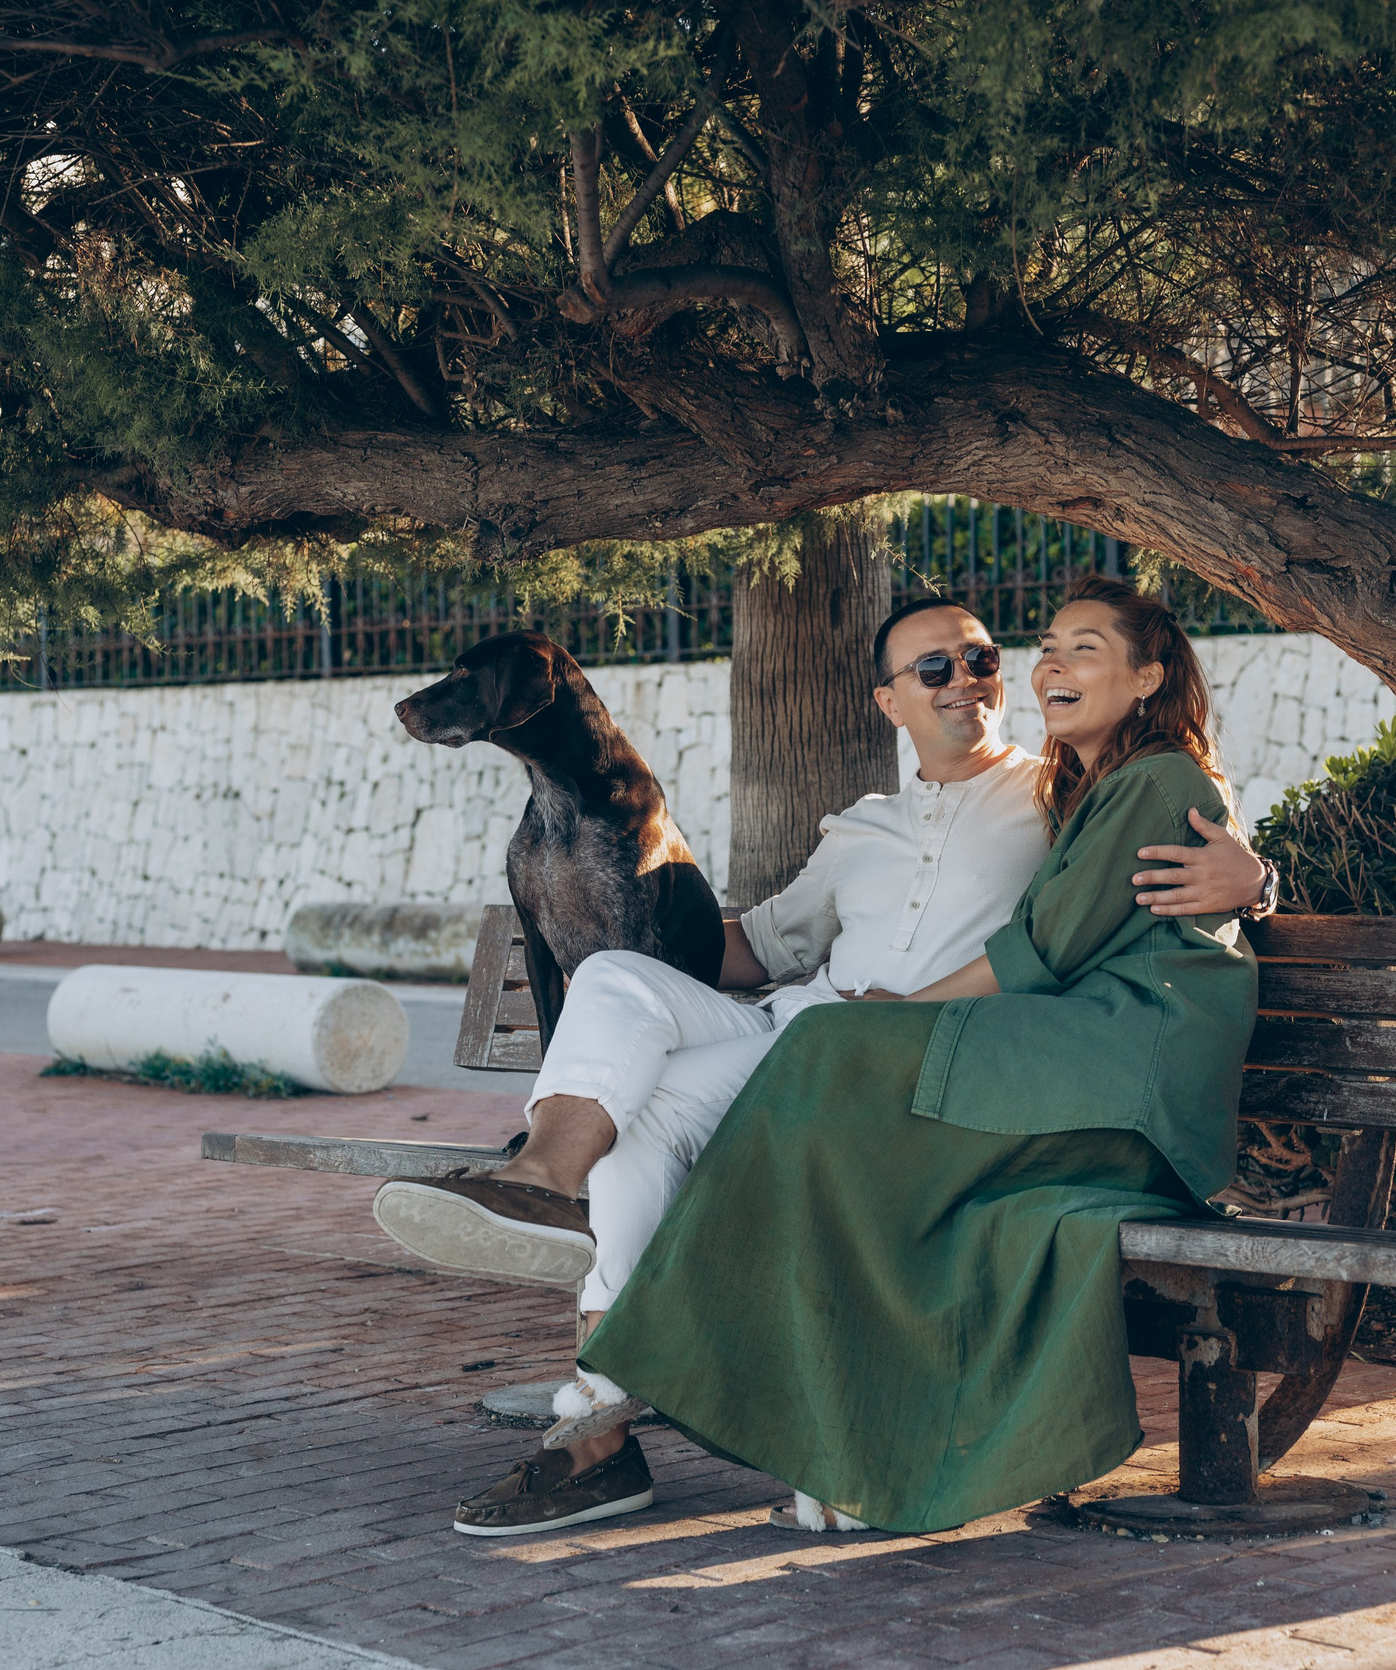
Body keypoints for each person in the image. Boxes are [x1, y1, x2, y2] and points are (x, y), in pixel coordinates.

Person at [370, 592, 1273, 1537]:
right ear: (891, 702)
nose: (966, 679)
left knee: (674, 1104)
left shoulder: (1057, 792)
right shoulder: (862, 827)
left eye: (980, 661)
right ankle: (545, 1185)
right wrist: (618, 872)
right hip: (799, 1034)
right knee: (617, 1001)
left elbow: (1177, 846)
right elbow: (754, 947)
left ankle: (602, 1421)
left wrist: (1258, 882)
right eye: (935, 668)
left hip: (901, 1073)